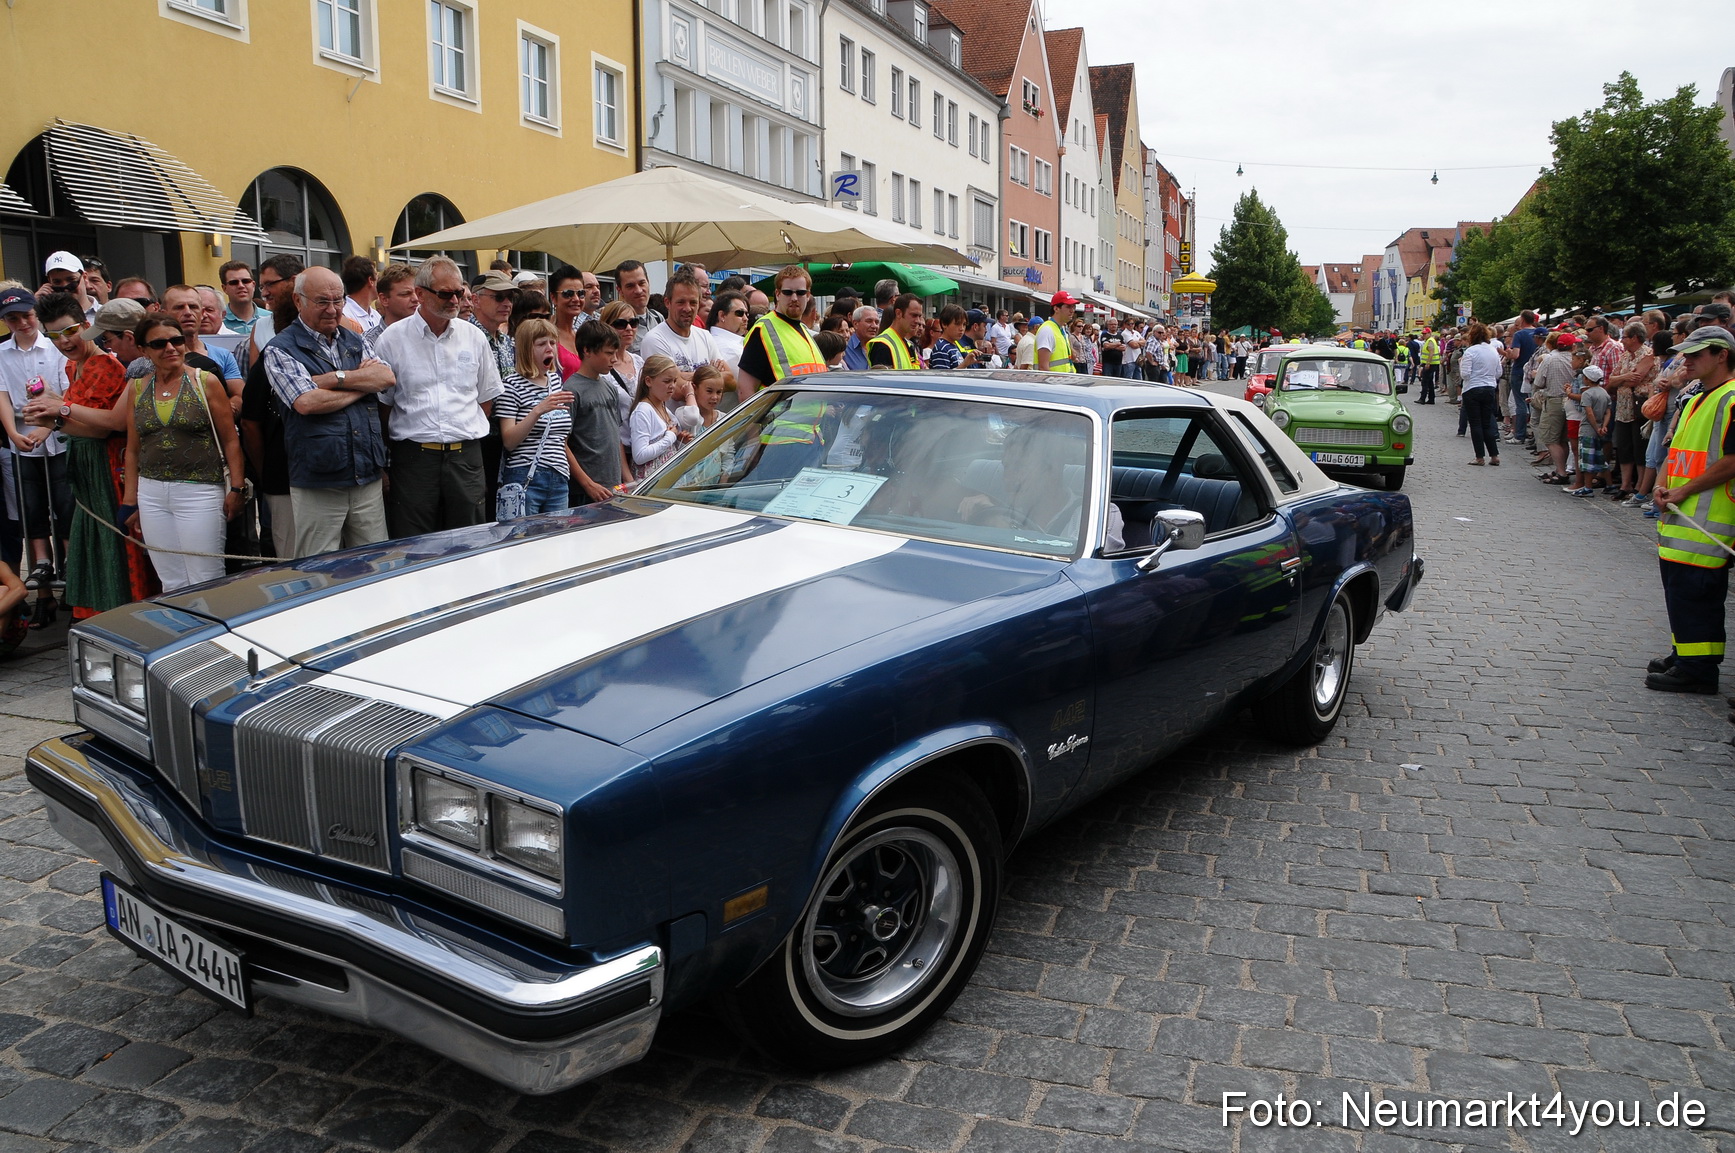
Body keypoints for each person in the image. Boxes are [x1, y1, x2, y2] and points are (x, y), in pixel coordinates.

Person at [21, 293, 152, 617]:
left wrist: (56, 414)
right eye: (53, 335)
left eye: (68, 331)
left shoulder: (106, 365)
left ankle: (122, 615)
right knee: (92, 544)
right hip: (86, 470)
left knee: (112, 547)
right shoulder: (72, 364)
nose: (64, 342)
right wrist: (49, 417)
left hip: (107, 469)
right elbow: (76, 414)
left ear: (85, 324)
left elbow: (104, 428)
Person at [263, 267, 394, 558]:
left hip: (366, 473)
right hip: (318, 478)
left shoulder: (355, 340)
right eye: (323, 301)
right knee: (319, 566)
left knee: (375, 561)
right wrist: (362, 385)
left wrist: (336, 379)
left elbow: (386, 378)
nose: (333, 310)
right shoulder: (280, 349)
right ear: (299, 301)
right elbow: (306, 403)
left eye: (338, 301)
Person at [373, 256, 504, 536]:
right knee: (414, 544)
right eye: (445, 293)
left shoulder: (474, 337)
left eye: (459, 293)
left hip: (465, 455)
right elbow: (384, 406)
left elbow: (486, 399)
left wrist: (461, 429)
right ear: (420, 294)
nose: (455, 300)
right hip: (414, 459)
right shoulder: (392, 340)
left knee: (471, 540)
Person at [121, 314, 245, 592]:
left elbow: (230, 441)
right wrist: (131, 499)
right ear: (143, 350)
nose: (170, 348)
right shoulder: (138, 388)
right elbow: (132, 449)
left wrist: (236, 489)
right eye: (159, 343)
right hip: (151, 492)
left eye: (176, 340)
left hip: (200, 489)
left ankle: (210, 633)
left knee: (206, 575)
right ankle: (182, 632)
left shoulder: (207, 381)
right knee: (170, 577)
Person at [1648, 325, 1735, 693]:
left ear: (1722, 355)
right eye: (1685, 354)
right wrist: (1661, 483)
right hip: (1682, 515)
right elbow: (1678, 448)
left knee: (1697, 594)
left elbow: (1732, 461)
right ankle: (1685, 654)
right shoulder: (1699, 394)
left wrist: (1683, 491)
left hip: (1707, 519)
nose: (1686, 361)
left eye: (1696, 355)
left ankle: (1698, 671)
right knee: (1681, 592)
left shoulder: (1730, 398)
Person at [0, 286, 72, 620]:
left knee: (64, 501)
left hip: (55, 436)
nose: (22, 323)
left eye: (27, 316)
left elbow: (66, 393)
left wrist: (47, 429)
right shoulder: (3, 352)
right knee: (30, 506)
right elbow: (2, 395)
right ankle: (42, 562)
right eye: (13, 319)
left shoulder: (54, 347)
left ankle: (71, 563)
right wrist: (14, 433)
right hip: (23, 438)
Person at [493, 318, 575, 520]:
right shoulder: (511, 385)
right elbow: (509, 441)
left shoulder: (555, 381)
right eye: (541, 344)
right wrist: (538, 410)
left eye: (553, 343)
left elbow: (560, 436)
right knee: (523, 541)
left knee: (556, 540)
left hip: (559, 474)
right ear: (526, 349)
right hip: (526, 475)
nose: (549, 349)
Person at [567, 319, 631, 505]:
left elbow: (615, 435)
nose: (614, 359)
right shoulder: (571, 390)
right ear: (587, 350)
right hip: (585, 489)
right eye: (609, 353)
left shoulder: (610, 388)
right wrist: (587, 484)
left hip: (612, 486)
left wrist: (625, 478)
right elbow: (562, 443)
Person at [736, 265, 828, 395]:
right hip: (781, 415)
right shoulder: (762, 330)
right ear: (778, 294)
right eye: (788, 292)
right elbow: (745, 391)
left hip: (814, 415)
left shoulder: (803, 329)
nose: (794, 298)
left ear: (808, 295)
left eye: (800, 293)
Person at [638, 265, 722, 389]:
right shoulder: (655, 339)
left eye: (693, 302)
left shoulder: (705, 336)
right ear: (667, 302)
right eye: (681, 302)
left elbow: (731, 380)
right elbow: (676, 390)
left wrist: (684, 376)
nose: (687, 308)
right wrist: (713, 375)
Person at [628, 354, 692, 479]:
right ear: (648, 381)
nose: (672, 386)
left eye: (674, 381)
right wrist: (670, 437)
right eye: (667, 381)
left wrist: (679, 440)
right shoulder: (643, 411)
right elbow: (640, 455)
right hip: (651, 481)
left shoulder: (663, 407)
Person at [1567, 364, 1610, 496]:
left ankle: (1588, 487)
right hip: (1600, 429)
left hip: (1587, 430)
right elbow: (1608, 411)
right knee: (1601, 458)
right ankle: (1610, 484)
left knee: (1586, 460)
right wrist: (1603, 426)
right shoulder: (1604, 393)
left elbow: (1589, 413)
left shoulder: (1587, 394)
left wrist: (1596, 427)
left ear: (1587, 379)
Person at [548, 264, 590, 377]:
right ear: (553, 298)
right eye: (568, 294)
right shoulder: (545, 336)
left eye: (581, 294)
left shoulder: (584, 335)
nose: (576, 299)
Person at [613, 259, 661, 352]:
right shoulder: (616, 325)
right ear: (620, 290)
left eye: (641, 283)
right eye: (630, 286)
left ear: (648, 283)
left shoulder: (658, 318)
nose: (638, 290)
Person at [867, 294, 923, 369]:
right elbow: (881, 380)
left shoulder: (909, 344)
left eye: (919, 316)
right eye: (914, 315)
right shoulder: (882, 345)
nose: (918, 321)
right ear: (898, 313)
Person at [1035, 293, 1078, 373]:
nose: (1072, 311)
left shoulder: (1060, 329)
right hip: (1054, 383)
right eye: (1068, 307)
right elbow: (1043, 368)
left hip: (1063, 382)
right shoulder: (1047, 330)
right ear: (1056, 309)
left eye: (1073, 307)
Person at [372, 263, 420, 333]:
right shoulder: (368, 342)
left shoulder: (429, 335)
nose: (416, 299)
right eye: (405, 294)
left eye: (418, 293)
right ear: (384, 299)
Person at [928, 304, 975, 370]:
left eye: (964, 324)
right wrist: (964, 364)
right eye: (957, 324)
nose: (961, 328)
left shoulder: (953, 345)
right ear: (944, 324)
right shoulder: (941, 349)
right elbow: (943, 377)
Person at [218, 260, 258, 336]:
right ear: (224, 288)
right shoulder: (218, 321)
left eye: (246, 281)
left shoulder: (271, 319)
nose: (241, 286)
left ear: (253, 285)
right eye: (234, 282)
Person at [340, 255, 379, 334]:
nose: (380, 281)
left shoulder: (376, 315)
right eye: (377, 275)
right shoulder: (345, 316)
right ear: (371, 280)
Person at [843, 305, 879, 371]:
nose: (874, 326)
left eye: (876, 322)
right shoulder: (845, 348)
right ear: (855, 324)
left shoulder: (880, 347)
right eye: (869, 321)